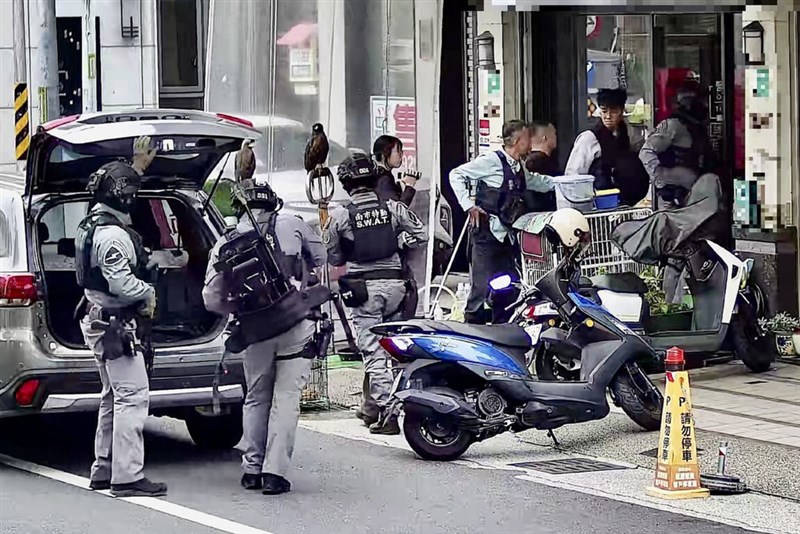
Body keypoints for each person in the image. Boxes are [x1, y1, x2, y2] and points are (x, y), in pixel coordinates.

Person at [202, 179, 326, 496]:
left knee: (256, 397)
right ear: (272, 201)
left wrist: (240, 309)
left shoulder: (225, 243)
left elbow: (210, 299)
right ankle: (275, 473)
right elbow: (321, 260)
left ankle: (252, 469)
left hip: (255, 331)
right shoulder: (293, 223)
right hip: (296, 325)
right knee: (286, 401)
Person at [75, 136, 167, 498]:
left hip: (99, 321)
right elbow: (122, 283)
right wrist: (148, 292)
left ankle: (104, 467)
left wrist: (137, 166)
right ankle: (127, 476)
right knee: (133, 396)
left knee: (112, 395)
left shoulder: (93, 223)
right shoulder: (113, 236)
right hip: (113, 324)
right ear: (124, 197)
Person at [323, 151, 428, 434]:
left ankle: (389, 412)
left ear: (345, 184)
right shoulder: (393, 208)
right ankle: (402, 401)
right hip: (396, 286)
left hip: (364, 290)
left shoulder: (340, 217)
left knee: (373, 351)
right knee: (396, 348)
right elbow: (421, 235)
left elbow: (332, 257)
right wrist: (398, 240)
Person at [449, 119, 554, 325]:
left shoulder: (518, 167)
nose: (530, 141)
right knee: (481, 288)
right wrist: (468, 205)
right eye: (526, 137)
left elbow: (537, 182)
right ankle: (472, 332)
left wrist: (567, 183)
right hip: (486, 236)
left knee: (509, 288)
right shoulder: (491, 161)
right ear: (516, 141)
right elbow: (456, 174)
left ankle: (502, 330)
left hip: (508, 237)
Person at [565, 88, 649, 206]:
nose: (608, 116)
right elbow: (573, 175)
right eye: (604, 111)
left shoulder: (627, 135)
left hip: (626, 202)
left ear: (621, 111)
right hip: (598, 202)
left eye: (613, 111)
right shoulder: (589, 138)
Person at [639, 79, 715, 209]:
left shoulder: (697, 128)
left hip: (695, 196)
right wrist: (662, 184)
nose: (705, 106)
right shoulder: (673, 125)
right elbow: (646, 152)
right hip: (672, 199)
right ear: (689, 103)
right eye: (700, 101)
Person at [373, 135, 418, 207]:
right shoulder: (384, 180)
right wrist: (409, 186)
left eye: (401, 151)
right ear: (384, 154)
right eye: (398, 151)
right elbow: (398, 211)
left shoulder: (379, 175)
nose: (401, 155)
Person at [524, 120, 559, 211]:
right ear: (545, 138)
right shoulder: (543, 163)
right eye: (554, 133)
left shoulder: (525, 162)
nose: (556, 137)